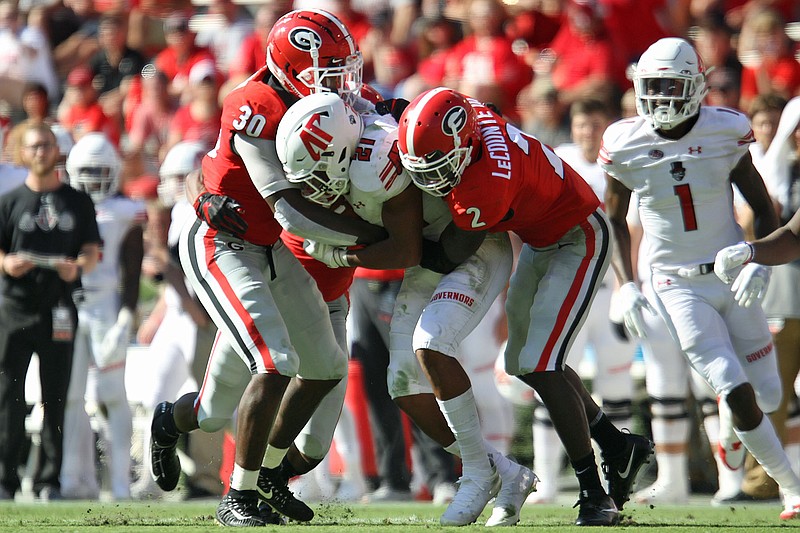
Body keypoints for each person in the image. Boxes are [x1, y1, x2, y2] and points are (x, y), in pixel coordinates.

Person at [148, 9, 386, 527]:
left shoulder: (324, 104)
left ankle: (196, 436)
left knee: (319, 367)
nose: (341, 86)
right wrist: (370, 238)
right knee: (275, 362)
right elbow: (286, 207)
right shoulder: (255, 105)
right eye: (329, 75)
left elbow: (381, 115)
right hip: (224, 243)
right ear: (295, 69)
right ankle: (238, 495)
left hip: (269, 247)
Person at [396, 86, 653, 526]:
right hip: (540, 238)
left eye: (439, 167)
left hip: (578, 237)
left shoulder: (486, 184)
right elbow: (483, 109)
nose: (432, 180)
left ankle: (593, 493)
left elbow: (446, 254)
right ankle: (616, 444)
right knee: (523, 362)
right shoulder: (469, 119)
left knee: (543, 362)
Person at [279, 92, 537, 527]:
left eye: (320, 167)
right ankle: (506, 472)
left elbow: (404, 246)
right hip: (430, 255)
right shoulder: (349, 136)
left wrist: (341, 255)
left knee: (431, 343)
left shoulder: (373, 163)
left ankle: (474, 475)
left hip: (468, 246)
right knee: (402, 385)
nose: (314, 183)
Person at [601, 37, 800, 520]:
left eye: (672, 85)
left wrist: (759, 260)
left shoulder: (726, 129)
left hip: (732, 270)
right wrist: (625, 284)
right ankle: (792, 487)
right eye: (653, 86)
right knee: (731, 382)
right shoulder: (624, 141)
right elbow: (612, 217)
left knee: (769, 392)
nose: (662, 97)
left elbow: (762, 204)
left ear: (696, 85)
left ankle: (734, 429)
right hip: (674, 281)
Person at [525, 98, 638, 504]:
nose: (587, 133)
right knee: (550, 374)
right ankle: (546, 480)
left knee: (615, 385)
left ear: (606, 126)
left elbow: (632, 230)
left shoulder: (619, 162)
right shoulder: (560, 159)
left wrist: (629, 286)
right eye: (581, 125)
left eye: (594, 125)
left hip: (607, 287)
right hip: (568, 286)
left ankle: (616, 482)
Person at [0, 123, 100, 500]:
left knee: (55, 397)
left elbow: (91, 250)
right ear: (23, 153)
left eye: (47, 145)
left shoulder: (77, 202)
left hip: (60, 309)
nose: (41, 151)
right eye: (34, 146)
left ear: (57, 150)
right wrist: (7, 263)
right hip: (15, 309)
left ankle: (48, 481)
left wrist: (78, 266)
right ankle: (5, 480)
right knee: (7, 394)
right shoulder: (9, 202)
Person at [716, 95, 800, 501]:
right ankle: (765, 478)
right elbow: (793, 235)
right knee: (770, 390)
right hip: (782, 298)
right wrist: (753, 252)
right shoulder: (785, 170)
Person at [59, 132, 145, 500]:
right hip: (69, 306)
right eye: (87, 171)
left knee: (112, 394)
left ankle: (120, 483)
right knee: (71, 396)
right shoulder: (63, 205)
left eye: (100, 170)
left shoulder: (126, 211)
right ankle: (73, 479)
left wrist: (126, 318)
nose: (94, 179)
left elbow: (133, 269)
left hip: (106, 306)